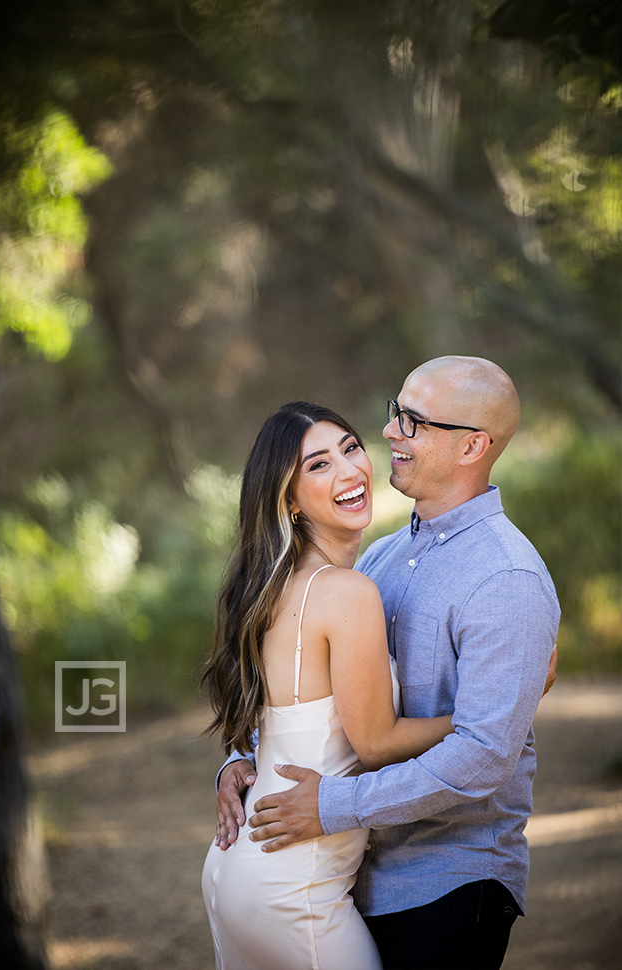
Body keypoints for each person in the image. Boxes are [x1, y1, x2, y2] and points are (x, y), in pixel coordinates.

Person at [219, 356, 561, 970]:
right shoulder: (377, 558)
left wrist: (330, 807)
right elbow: (312, 693)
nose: (390, 433)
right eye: (394, 412)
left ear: (472, 447)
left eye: (413, 421)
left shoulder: (506, 578)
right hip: (353, 876)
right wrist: (242, 759)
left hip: (449, 878)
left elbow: (484, 755)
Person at [201, 401, 458, 970]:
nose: (348, 471)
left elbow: (284, 720)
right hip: (294, 882)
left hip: (238, 866)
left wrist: (232, 764)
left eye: (349, 449)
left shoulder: (276, 584)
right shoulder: (345, 592)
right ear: (288, 498)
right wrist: (478, 716)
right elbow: (377, 743)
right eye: (318, 465)